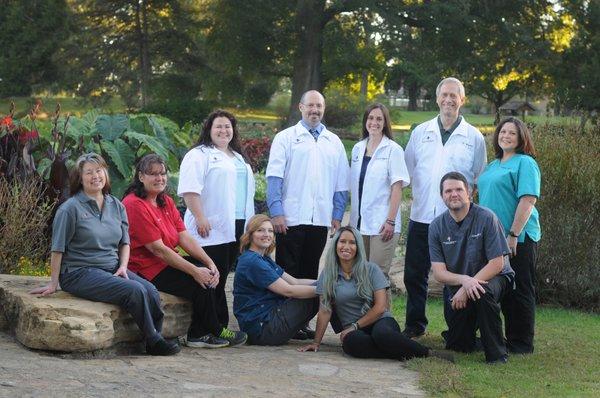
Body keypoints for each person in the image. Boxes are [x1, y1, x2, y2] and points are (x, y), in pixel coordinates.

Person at [29, 153, 179, 356]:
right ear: (80, 178)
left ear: (105, 174)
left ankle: (155, 335)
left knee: (150, 290)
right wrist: (54, 283)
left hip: (111, 267)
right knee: (134, 290)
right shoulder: (70, 209)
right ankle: (153, 341)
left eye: (99, 170)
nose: (95, 176)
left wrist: (123, 267)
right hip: (79, 272)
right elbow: (57, 248)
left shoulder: (116, 205)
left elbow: (125, 242)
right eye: (88, 172)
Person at [123, 154, 247, 348]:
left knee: (208, 272)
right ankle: (206, 332)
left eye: (162, 173)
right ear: (140, 177)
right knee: (199, 280)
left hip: (164, 262)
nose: (159, 178)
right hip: (145, 269)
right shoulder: (134, 204)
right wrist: (195, 271)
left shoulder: (165, 201)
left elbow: (183, 236)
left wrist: (209, 262)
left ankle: (206, 330)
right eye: (153, 174)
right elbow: (158, 250)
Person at [403, 77, 487, 338]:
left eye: (454, 96)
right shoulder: (421, 132)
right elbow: (408, 170)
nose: (449, 100)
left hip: (455, 222)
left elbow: (478, 178)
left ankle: (458, 329)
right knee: (414, 274)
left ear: (462, 100)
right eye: (445, 95)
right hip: (421, 217)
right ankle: (415, 325)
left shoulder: (473, 138)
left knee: (456, 276)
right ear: (437, 99)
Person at [297, 226, 453, 363]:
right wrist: (316, 342)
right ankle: (399, 350)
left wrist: (354, 326)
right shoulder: (328, 274)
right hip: (354, 332)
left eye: (352, 242)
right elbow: (325, 310)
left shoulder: (371, 269)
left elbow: (380, 307)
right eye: (342, 241)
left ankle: (428, 353)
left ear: (358, 247)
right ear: (336, 245)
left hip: (380, 321)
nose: (346, 246)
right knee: (351, 345)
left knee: (382, 335)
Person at [266, 90, 349, 339]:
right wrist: (277, 212)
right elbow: (274, 177)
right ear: (301, 107)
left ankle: (300, 321)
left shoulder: (333, 142)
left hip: (320, 219)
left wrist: (336, 214)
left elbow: (341, 183)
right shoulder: (286, 138)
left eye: (319, 106)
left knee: (311, 271)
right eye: (310, 105)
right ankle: (281, 319)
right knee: (286, 271)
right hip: (290, 218)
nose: (315, 110)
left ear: (324, 109)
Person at [178, 109, 255, 330]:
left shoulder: (237, 156)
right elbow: (190, 190)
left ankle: (219, 325)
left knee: (221, 278)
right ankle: (209, 328)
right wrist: (200, 217)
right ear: (209, 130)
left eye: (227, 126)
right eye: (218, 126)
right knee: (213, 276)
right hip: (210, 227)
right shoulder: (199, 154)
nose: (223, 130)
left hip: (238, 224)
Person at [429, 172, 514, 363]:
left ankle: (497, 354)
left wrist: (468, 287)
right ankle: (481, 338)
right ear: (442, 196)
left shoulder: (487, 218)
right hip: (459, 285)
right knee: (458, 345)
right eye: (448, 190)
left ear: (469, 192)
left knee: (481, 291)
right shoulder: (436, 226)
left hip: (495, 278)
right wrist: (464, 282)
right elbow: (439, 273)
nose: (454, 194)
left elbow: (497, 263)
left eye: (459, 189)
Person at [477, 117, 541, 354]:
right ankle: (498, 337)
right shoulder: (492, 165)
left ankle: (521, 343)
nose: (505, 136)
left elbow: (528, 200)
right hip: (492, 239)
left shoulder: (525, 163)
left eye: (512, 133)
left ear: (521, 137)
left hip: (518, 238)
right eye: (502, 131)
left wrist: (513, 234)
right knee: (499, 289)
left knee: (520, 289)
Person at [232, 214, 319, 346]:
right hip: (263, 329)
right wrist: (328, 289)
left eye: (270, 231)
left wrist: (326, 282)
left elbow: (294, 281)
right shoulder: (252, 262)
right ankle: (349, 331)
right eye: (260, 230)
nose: (266, 234)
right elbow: (288, 290)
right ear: (250, 234)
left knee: (328, 289)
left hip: (268, 320)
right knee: (323, 294)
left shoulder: (263, 257)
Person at [349, 103, 410, 278]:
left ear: (385, 123)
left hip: (383, 224)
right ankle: (366, 307)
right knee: (360, 274)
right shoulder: (358, 148)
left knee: (377, 276)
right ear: (365, 121)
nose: (374, 122)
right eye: (370, 118)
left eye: (379, 119)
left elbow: (397, 188)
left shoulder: (393, 150)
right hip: (359, 224)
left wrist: (390, 221)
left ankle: (382, 307)